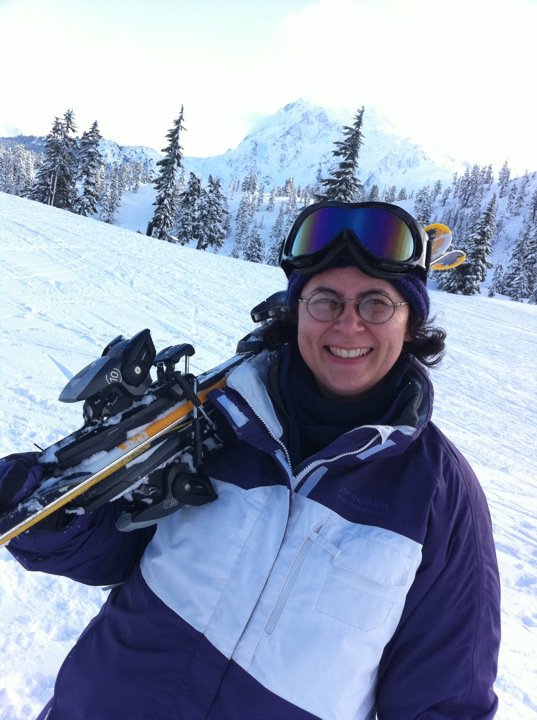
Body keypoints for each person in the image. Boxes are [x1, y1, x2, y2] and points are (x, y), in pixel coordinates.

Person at [0, 200, 500, 720]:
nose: (348, 325)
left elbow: (447, 703)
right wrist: (51, 514)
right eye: (325, 301)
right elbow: (120, 550)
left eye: (376, 303)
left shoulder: (442, 500)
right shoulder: (215, 415)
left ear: (411, 323)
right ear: (297, 311)